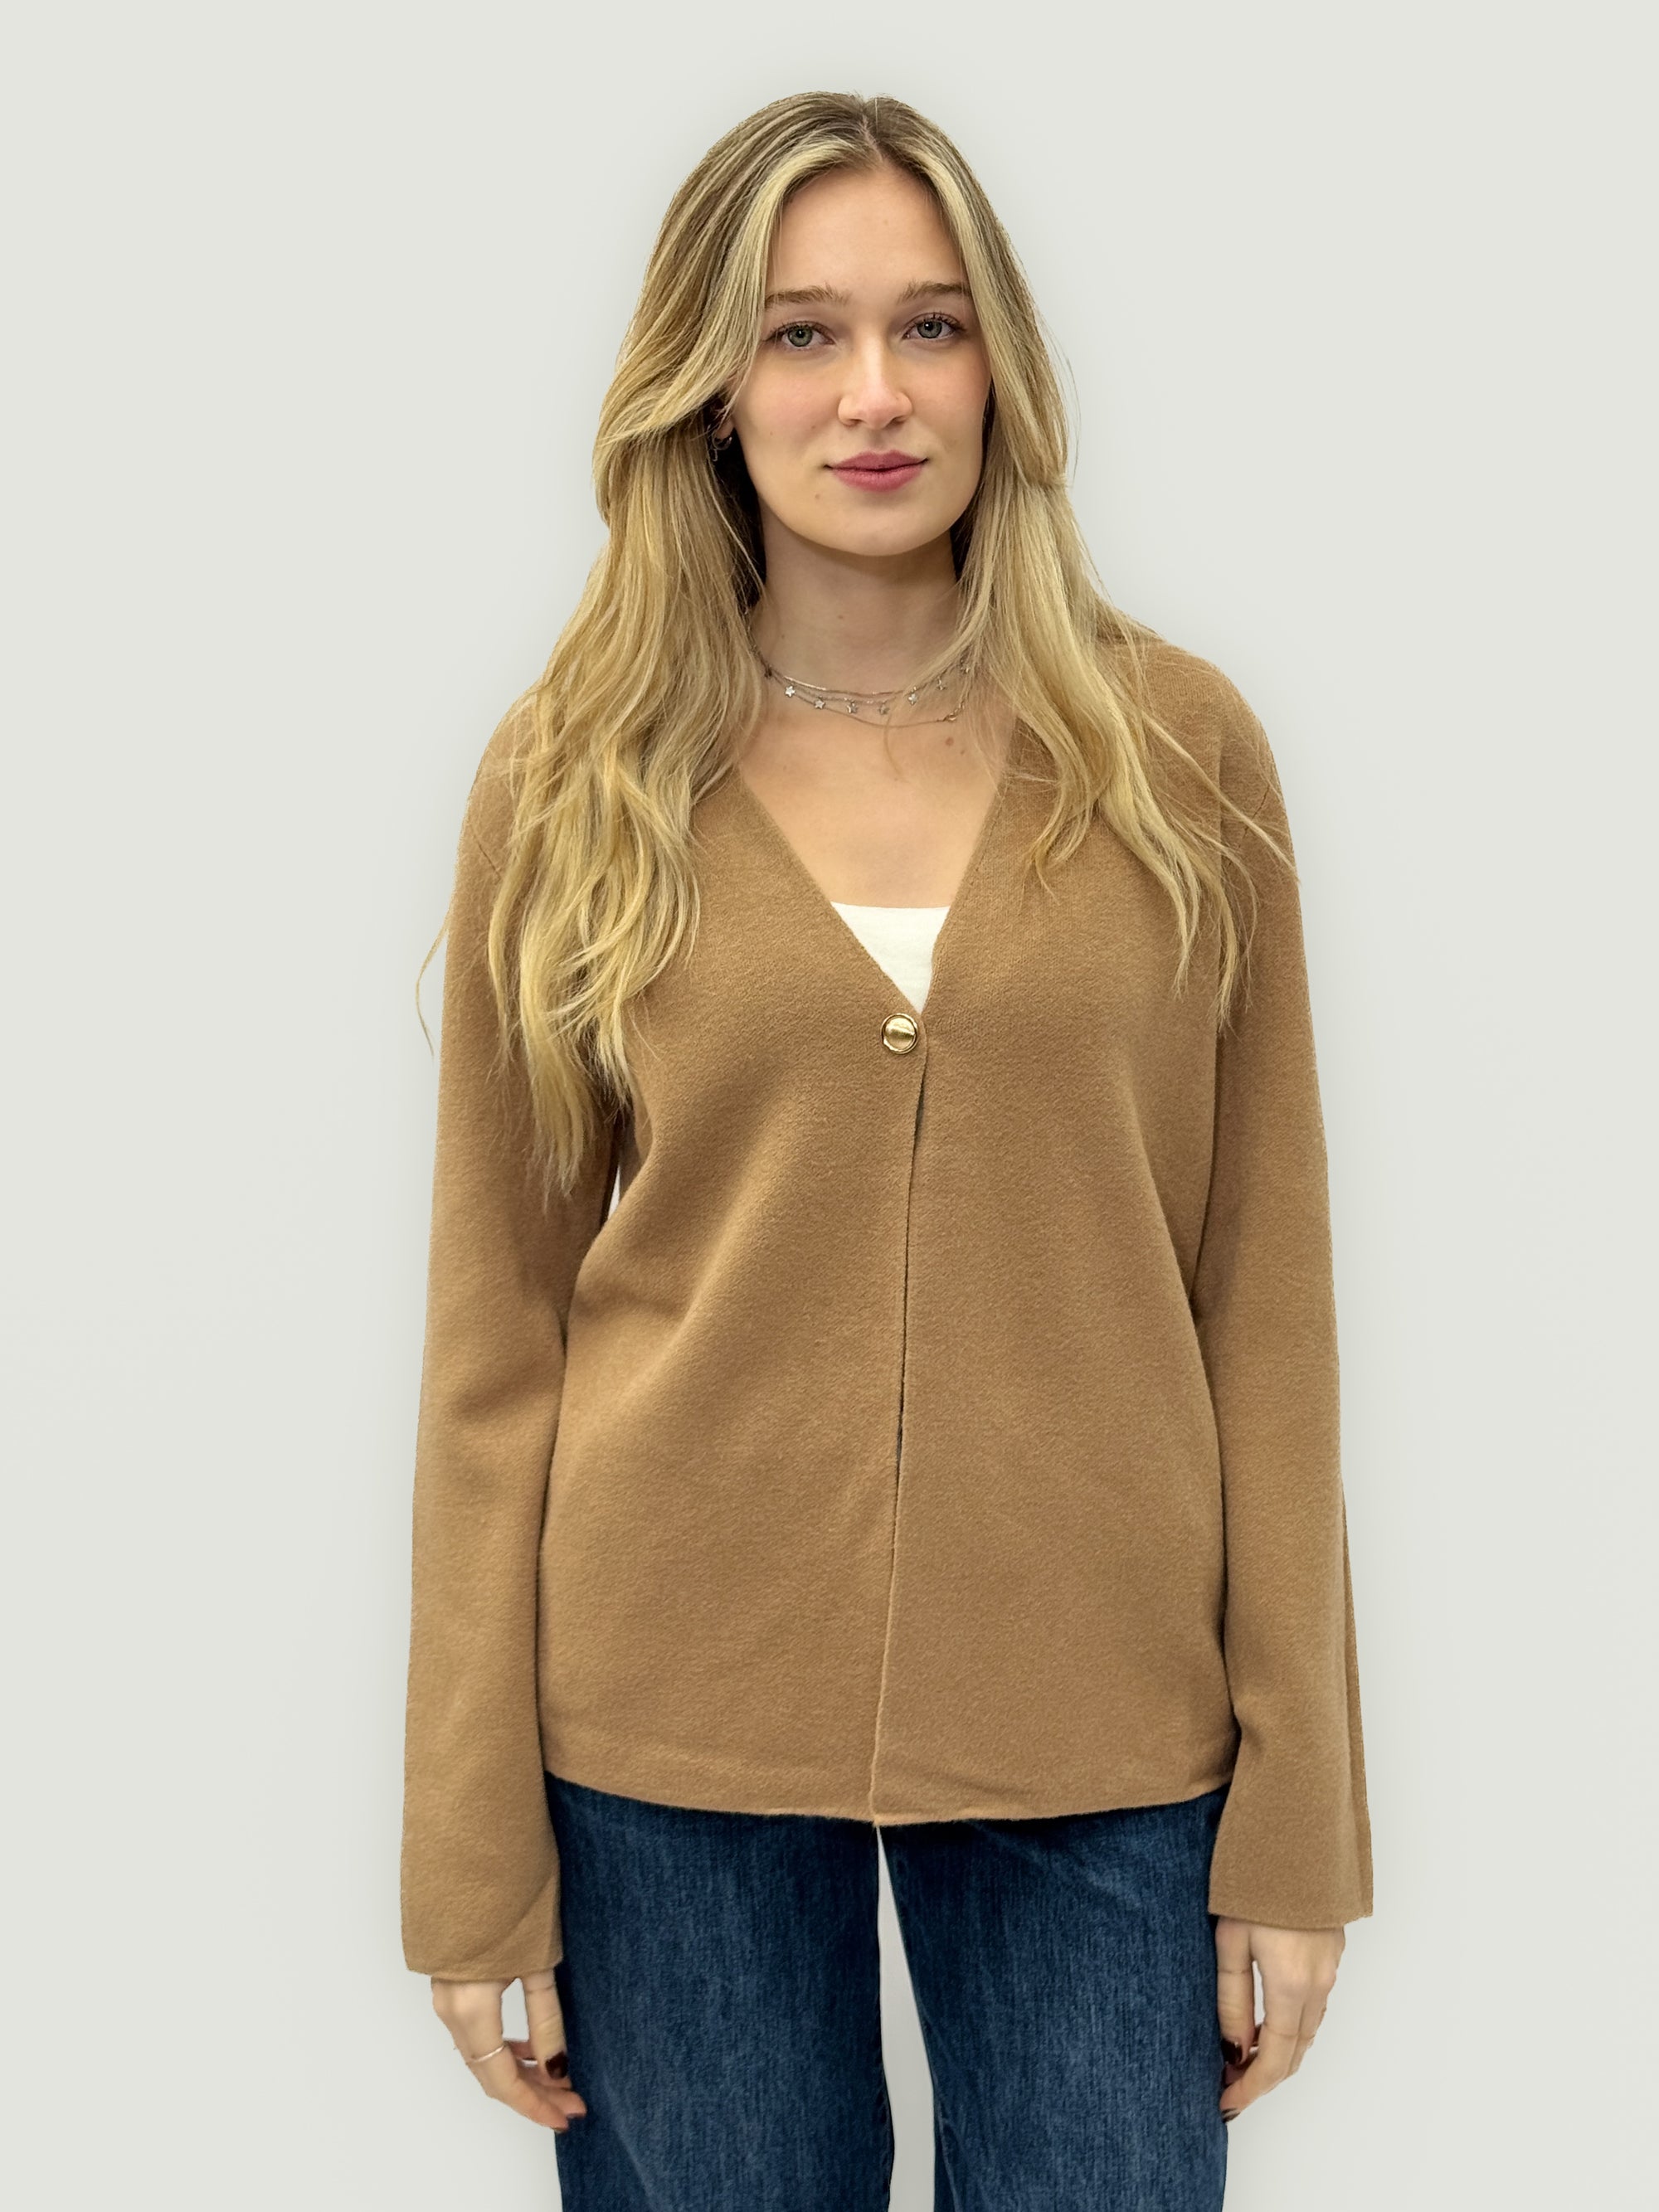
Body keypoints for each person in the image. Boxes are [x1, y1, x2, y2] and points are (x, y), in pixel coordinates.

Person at [400, 89, 1372, 2210]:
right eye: (800, 332)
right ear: (707, 382)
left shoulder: (1178, 755)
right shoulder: (574, 780)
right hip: (661, 1733)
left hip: (1107, 1721)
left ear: (999, 367)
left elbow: (1264, 1300)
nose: (872, 394)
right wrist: (469, 1848)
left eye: (929, 326)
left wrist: (1299, 1812)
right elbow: (495, 1345)